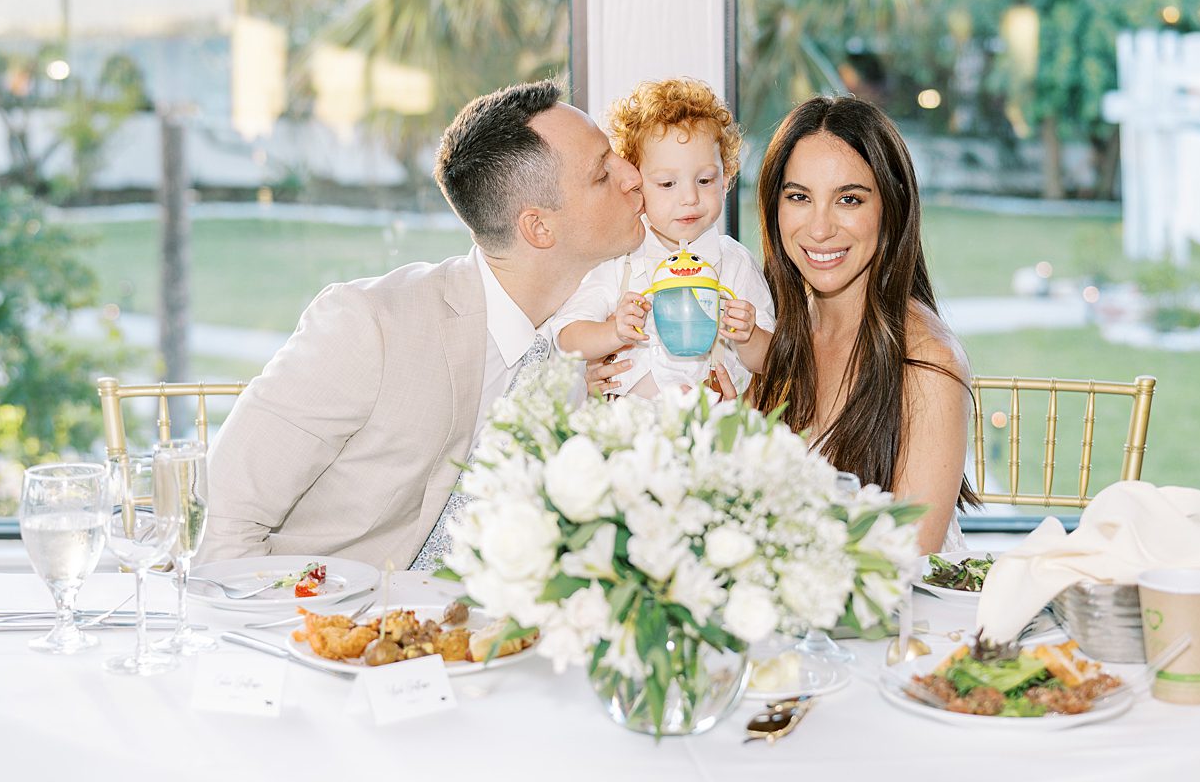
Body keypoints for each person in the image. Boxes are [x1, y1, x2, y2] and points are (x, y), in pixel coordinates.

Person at [199, 79, 644, 566]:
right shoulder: (371, 327)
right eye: (602, 174)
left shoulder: (612, 326)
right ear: (538, 227)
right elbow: (225, 521)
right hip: (329, 623)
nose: (633, 176)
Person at [746, 95, 977, 553]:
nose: (819, 228)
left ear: (891, 207)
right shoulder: (771, 334)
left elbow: (910, 559)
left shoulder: (928, 361)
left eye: (848, 199)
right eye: (799, 197)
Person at [551, 78, 774, 398]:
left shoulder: (735, 265)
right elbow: (567, 337)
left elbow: (771, 360)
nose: (689, 198)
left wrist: (749, 336)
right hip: (630, 435)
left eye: (705, 179)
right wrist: (611, 331)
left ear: (726, 178)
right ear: (636, 184)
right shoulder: (621, 261)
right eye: (668, 184)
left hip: (708, 431)